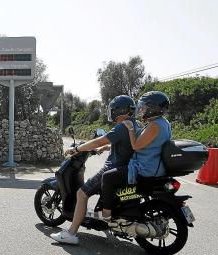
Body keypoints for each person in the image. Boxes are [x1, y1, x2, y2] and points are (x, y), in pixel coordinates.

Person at [51, 95, 139, 244]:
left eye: (113, 110)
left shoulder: (122, 126)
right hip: (126, 168)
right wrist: (107, 147)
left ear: (119, 110)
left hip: (112, 168)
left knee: (81, 193)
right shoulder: (135, 125)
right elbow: (127, 144)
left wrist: (77, 149)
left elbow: (99, 140)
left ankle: (71, 233)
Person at [100, 91, 172, 219]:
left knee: (107, 177)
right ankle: (126, 206)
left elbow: (136, 146)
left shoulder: (154, 125)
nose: (142, 109)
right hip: (153, 164)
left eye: (144, 107)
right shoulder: (164, 122)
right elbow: (149, 143)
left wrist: (130, 129)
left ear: (153, 108)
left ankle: (106, 214)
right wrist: (107, 147)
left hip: (145, 168)